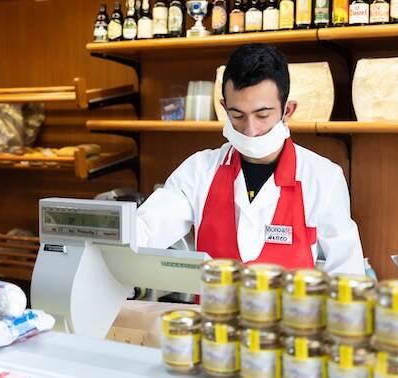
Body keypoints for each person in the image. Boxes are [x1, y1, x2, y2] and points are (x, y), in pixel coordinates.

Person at [136, 43, 364, 274]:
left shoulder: (323, 177)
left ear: (287, 110)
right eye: (237, 115)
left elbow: (347, 275)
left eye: (262, 115)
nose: (250, 129)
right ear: (224, 108)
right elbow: (145, 231)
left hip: (292, 311)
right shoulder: (198, 171)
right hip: (212, 310)